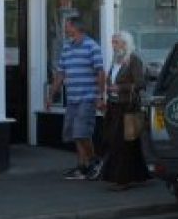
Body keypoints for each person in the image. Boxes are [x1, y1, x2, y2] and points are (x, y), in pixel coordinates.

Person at [46, 17, 105, 180]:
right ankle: (82, 167)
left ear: (75, 27)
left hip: (88, 97)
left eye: (67, 25)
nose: (65, 28)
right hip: (72, 97)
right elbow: (60, 73)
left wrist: (100, 96)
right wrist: (51, 95)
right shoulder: (66, 47)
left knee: (81, 132)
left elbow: (100, 72)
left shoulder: (92, 47)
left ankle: (94, 161)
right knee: (74, 132)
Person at [102, 31, 150, 191]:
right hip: (114, 105)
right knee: (124, 142)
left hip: (127, 107)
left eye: (116, 42)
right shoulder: (116, 60)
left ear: (125, 43)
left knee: (122, 143)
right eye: (113, 42)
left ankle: (122, 180)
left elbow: (141, 83)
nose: (113, 45)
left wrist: (119, 87)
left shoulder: (133, 60)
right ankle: (138, 175)